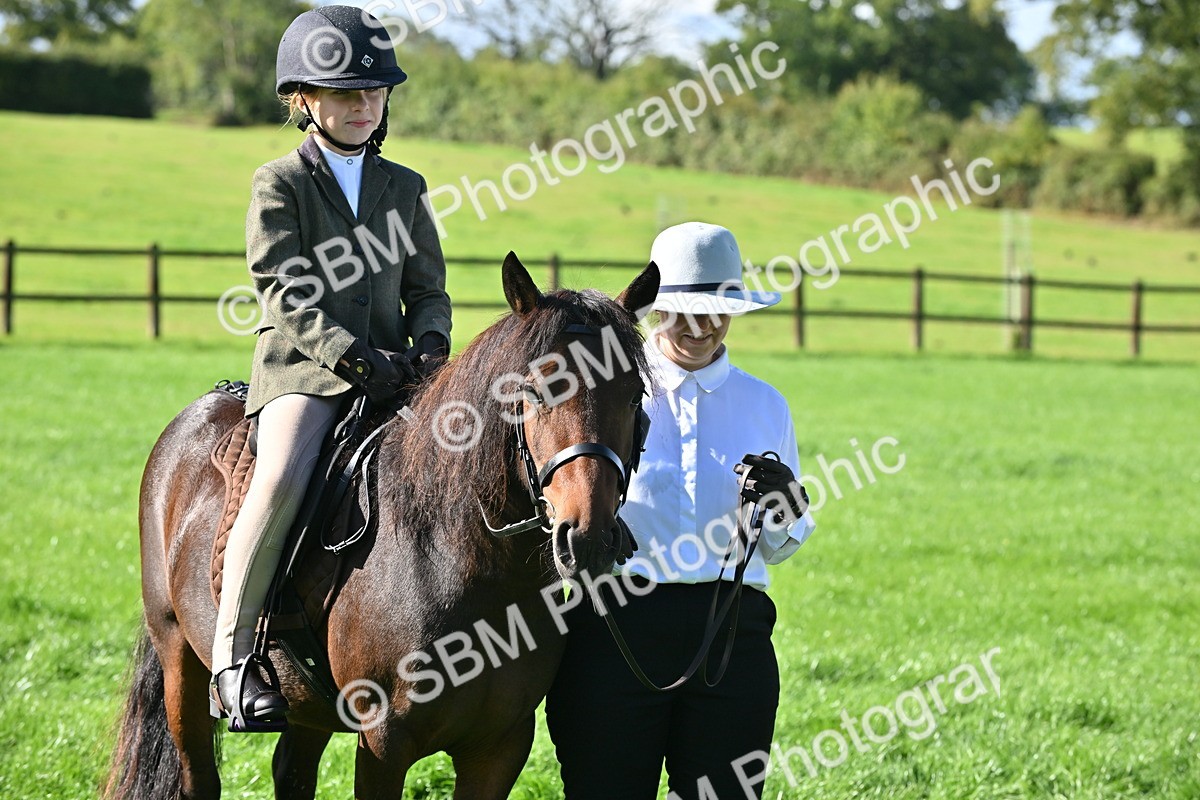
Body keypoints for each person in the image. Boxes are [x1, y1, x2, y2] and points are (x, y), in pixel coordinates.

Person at [209, 5, 452, 730]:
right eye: (346, 93)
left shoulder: (404, 186)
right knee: (283, 472)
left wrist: (432, 346)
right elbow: (283, 289)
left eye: (373, 93)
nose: (363, 106)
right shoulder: (278, 181)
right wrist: (351, 357)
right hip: (304, 371)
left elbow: (428, 288)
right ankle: (233, 656)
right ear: (304, 100)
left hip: (397, 368)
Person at [545, 222, 815, 798]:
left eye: (717, 309)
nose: (701, 325)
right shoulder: (606, 393)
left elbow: (781, 543)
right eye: (684, 310)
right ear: (657, 310)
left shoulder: (766, 404)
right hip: (616, 624)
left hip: (731, 633)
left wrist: (785, 502)